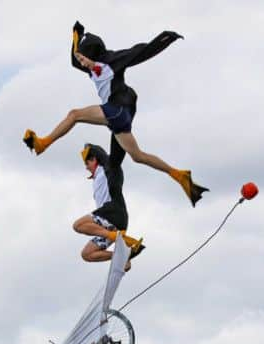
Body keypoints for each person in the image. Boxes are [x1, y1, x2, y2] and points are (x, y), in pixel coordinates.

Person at [24, 21, 209, 207]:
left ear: (93, 55)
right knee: (135, 157)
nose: (82, 64)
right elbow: (74, 59)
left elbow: (140, 52)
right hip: (118, 117)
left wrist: (166, 38)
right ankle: (179, 176)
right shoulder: (87, 64)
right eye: (80, 59)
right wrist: (76, 35)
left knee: (74, 115)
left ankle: (43, 144)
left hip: (117, 109)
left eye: (83, 59)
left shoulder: (112, 60)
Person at [73, 140, 145, 272]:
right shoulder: (96, 178)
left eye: (87, 163)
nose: (86, 167)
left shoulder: (107, 168)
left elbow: (107, 157)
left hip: (114, 213)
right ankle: (122, 258)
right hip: (108, 223)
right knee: (87, 254)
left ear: (94, 159)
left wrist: (117, 129)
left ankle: (117, 237)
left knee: (78, 225)